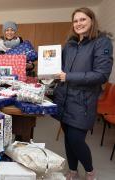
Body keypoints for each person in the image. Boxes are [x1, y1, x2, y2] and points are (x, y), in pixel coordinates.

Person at [54, 7, 113, 180]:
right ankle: (73, 170)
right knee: (68, 139)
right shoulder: (70, 44)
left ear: (91, 21)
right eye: (75, 20)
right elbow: (58, 67)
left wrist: (68, 77)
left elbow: (101, 75)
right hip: (64, 99)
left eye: (83, 19)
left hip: (83, 102)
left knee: (76, 140)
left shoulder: (102, 42)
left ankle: (90, 171)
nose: (78, 23)